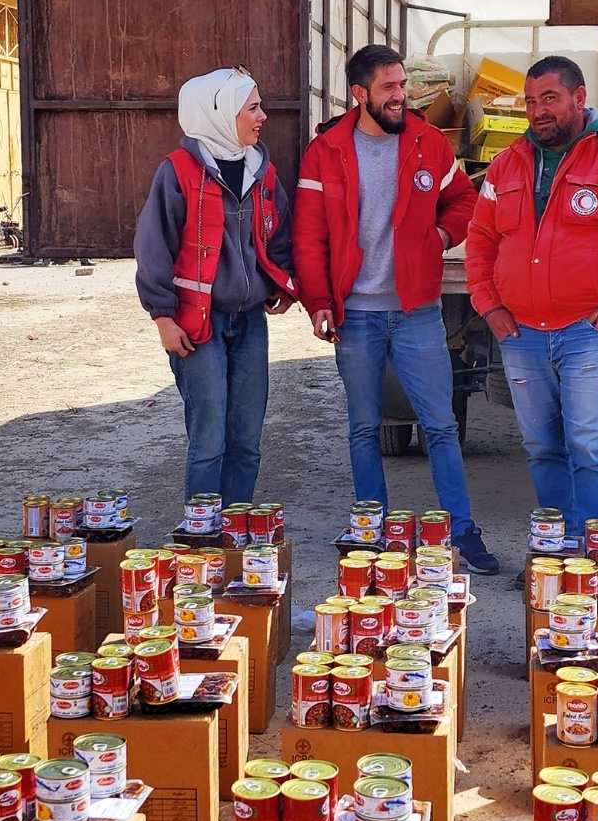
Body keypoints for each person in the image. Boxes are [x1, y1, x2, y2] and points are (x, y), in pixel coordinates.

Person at [293, 44, 500, 573]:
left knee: (441, 425)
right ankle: (373, 530)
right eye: (388, 87)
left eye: (402, 85)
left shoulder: (428, 142)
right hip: (355, 315)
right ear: (359, 93)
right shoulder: (326, 151)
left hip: (417, 312)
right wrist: (318, 302)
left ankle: (462, 531)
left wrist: (440, 236)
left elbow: (465, 200)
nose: (400, 96)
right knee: (364, 427)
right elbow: (309, 236)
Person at [464, 55, 598, 552]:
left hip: (589, 334)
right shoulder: (506, 164)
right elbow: (480, 241)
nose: (538, 111)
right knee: (542, 449)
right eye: (530, 102)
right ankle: (556, 554)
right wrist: (490, 307)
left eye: (550, 98)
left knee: (591, 451)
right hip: (521, 335)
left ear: (579, 98)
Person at [134, 67, 296, 503]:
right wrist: (163, 317)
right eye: (253, 108)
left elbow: (278, 232)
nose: (262, 117)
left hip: (250, 323)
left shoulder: (262, 170)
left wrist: (281, 283)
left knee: (247, 441)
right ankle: (203, 532)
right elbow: (153, 246)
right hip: (197, 325)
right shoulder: (178, 171)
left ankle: (236, 528)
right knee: (209, 441)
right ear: (221, 112)